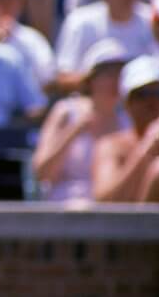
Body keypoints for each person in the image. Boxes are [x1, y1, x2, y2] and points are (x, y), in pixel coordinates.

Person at [33, 40, 129, 202]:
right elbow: (42, 173)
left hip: (113, 211)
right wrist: (74, 130)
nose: (115, 80)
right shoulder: (66, 112)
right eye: (109, 73)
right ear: (91, 80)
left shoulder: (129, 118)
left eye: (120, 73)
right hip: (66, 208)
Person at [92, 55, 159, 203]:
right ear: (126, 103)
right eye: (141, 95)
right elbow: (105, 203)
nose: (152, 102)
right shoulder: (111, 146)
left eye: (158, 93)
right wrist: (147, 149)